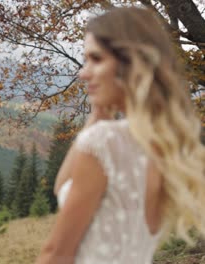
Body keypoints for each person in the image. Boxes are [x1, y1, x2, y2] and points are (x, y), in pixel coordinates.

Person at [36, 7, 205, 264]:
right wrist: (96, 118)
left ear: (130, 63)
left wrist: (96, 129)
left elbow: (56, 254)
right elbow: (63, 188)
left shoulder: (104, 142)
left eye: (96, 59)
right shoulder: (166, 144)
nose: (83, 73)